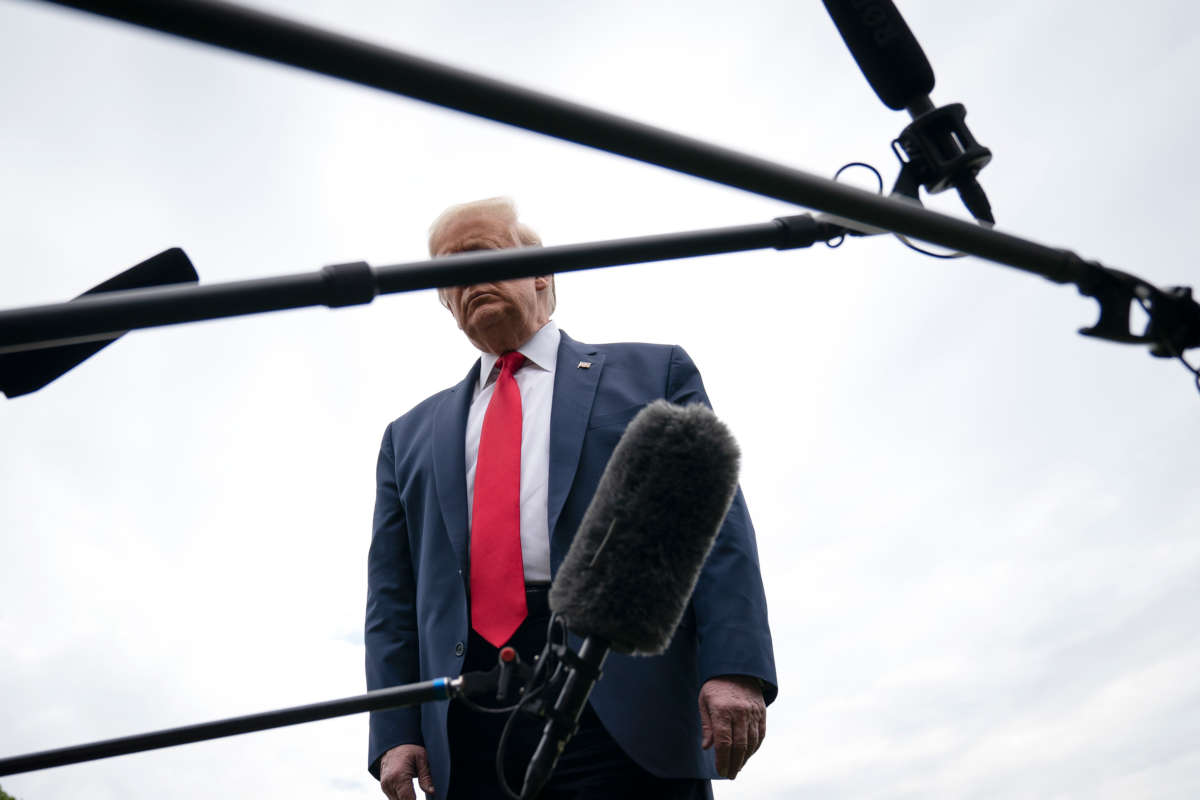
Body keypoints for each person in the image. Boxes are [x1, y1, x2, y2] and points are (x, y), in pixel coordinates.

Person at [366, 198, 776, 800]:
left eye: (482, 256)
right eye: (444, 275)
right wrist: (395, 729)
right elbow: (393, 595)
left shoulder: (651, 373)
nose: (464, 280)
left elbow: (715, 525)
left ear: (542, 271)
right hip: (470, 712)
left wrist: (734, 666)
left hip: (622, 681)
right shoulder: (408, 436)